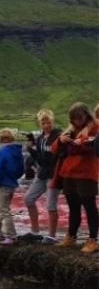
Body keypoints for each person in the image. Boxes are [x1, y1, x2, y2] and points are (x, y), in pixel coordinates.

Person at [51, 102, 98, 253]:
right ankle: (71, 236)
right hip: (69, 172)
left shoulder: (96, 127)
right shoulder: (69, 131)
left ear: (86, 115)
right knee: (73, 206)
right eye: (73, 119)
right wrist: (60, 140)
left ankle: (93, 239)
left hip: (86, 172)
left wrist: (80, 142)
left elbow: (94, 146)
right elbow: (54, 149)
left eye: (79, 118)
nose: (76, 122)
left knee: (89, 206)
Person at [23, 110, 62, 243]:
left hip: (54, 174)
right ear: (39, 124)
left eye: (48, 122)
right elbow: (40, 159)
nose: (46, 125)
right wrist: (31, 149)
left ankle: (52, 236)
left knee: (51, 204)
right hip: (42, 173)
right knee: (28, 198)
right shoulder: (39, 139)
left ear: (53, 121)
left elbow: (54, 157)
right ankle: (35, 231)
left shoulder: (59, 136)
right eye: (43, 123)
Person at [0, 130, 24, 245]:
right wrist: (13, 178)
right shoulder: (18, 152)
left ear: (1, 140)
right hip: (12, 184)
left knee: (3, 210)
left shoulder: (2, 152)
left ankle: (11, 236)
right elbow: (21, 170)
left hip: (2, 184)